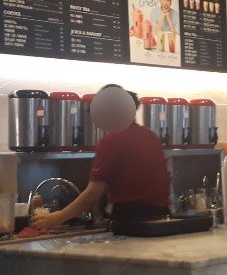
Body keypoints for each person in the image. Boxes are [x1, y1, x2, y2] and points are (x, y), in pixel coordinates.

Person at [33, 84, 170, 230]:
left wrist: (58, 217)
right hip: (163, 219)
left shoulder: (112, 140)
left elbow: (93, 193)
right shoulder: (150, 136)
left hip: (133, 220)